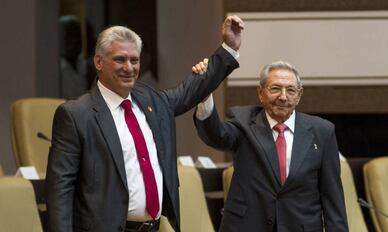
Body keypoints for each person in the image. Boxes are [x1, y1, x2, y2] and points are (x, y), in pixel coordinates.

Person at [46, 15, 244, 232]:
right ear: (99, 62)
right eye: (120, 59)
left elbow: (189, 91)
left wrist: (228, 48)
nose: (129, 68)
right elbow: (59, 191)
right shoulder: (76, 114)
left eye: (135, 60)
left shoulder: (149, 100)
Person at [193, 61, 348, 232]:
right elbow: (216, 136)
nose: (283, 97)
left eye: (290, 90)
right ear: (261, 92)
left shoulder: (322, 131)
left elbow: (332, 198)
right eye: (275, 89)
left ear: (299, 94)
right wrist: (205, 95)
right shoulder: (244, 122)